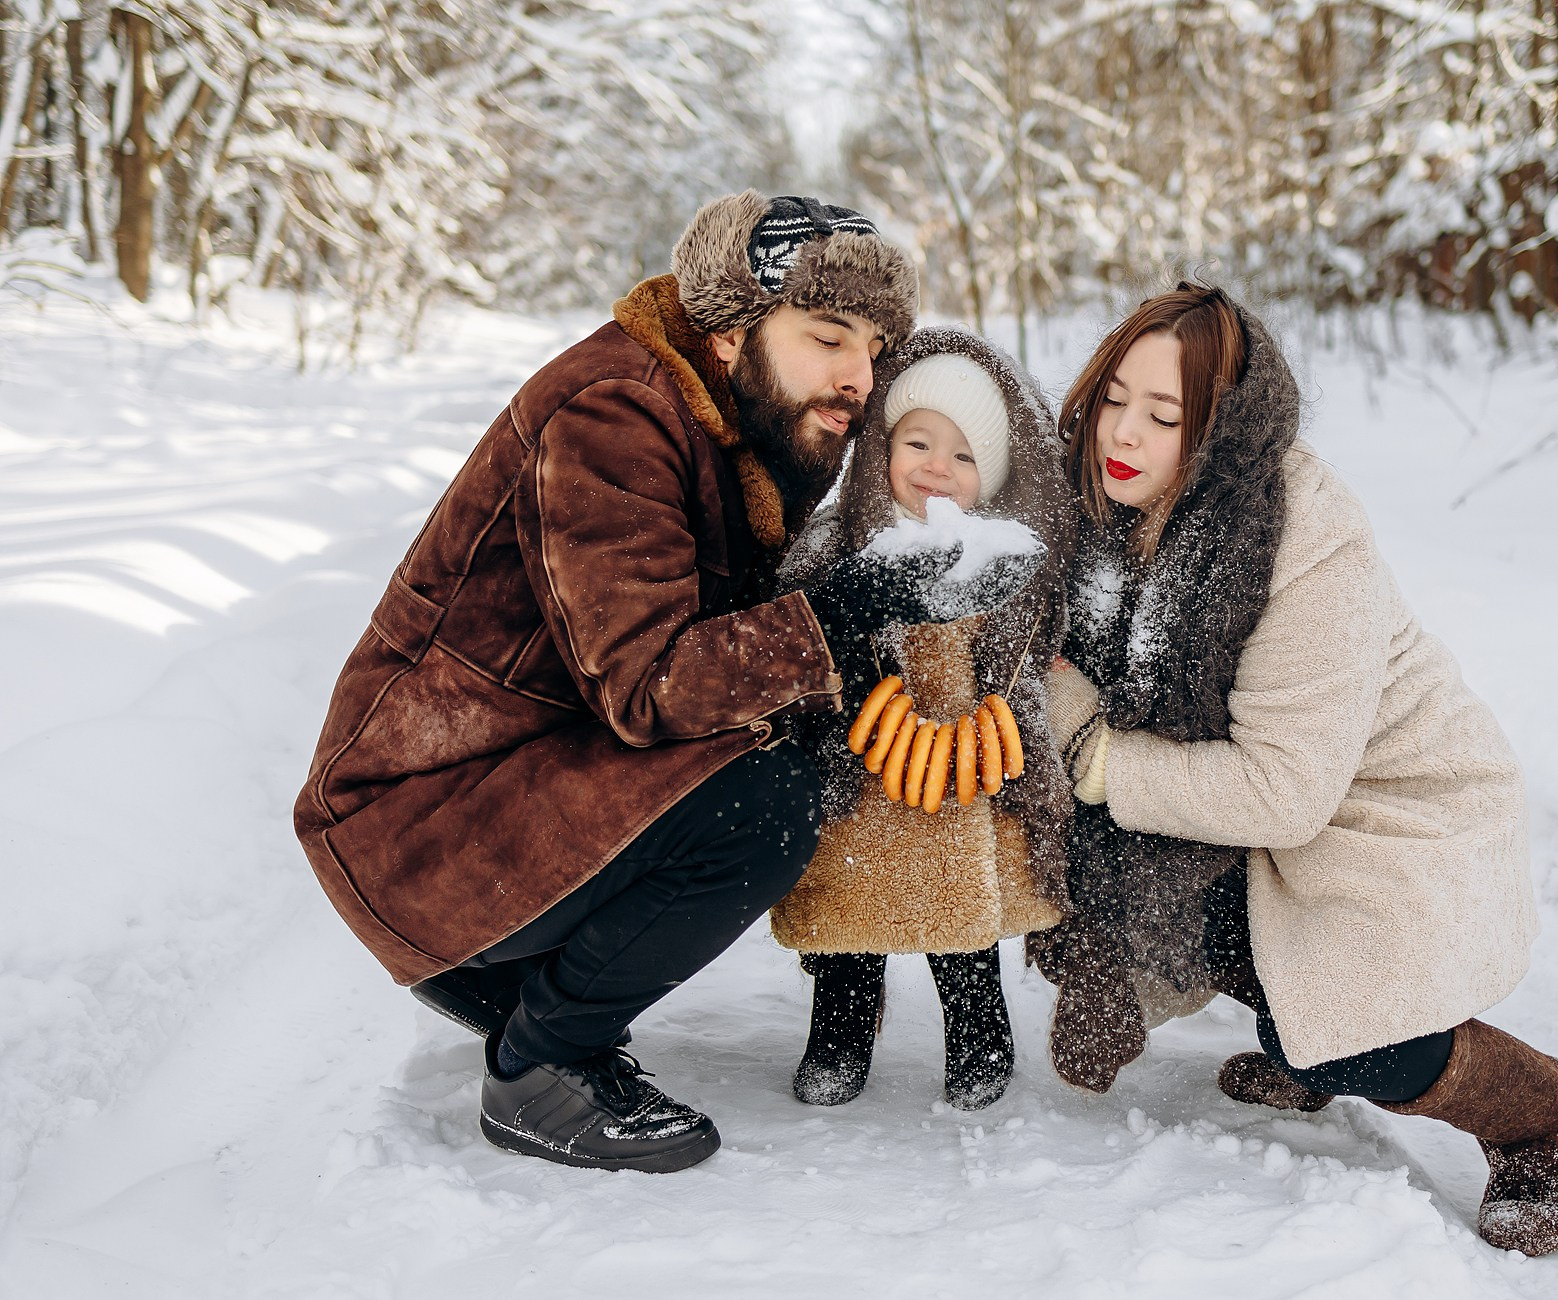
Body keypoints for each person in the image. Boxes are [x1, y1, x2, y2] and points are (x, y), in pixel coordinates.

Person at [292, 192, 1032, 1175]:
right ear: (731, 331)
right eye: (828, 337)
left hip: (505, 800)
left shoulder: (740, 419)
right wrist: (851, 605)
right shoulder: (615, 411)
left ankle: (524, 989)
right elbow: (651, 686)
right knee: (764, 798)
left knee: (792, 736)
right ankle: (540, 1063)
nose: (860, 376)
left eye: (874, 346)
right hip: (417, 828)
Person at [1034, 283, 1558, 1256]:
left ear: (1220, 429)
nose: (1121, 431)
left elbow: (1283, 792)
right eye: (1115, 395)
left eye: (1164, 415)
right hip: (1262, 816)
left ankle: (1535, 1107)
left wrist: (1092, 757)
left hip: (1390, 816)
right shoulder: (1104, 509)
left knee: (1335, 1027)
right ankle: (1319, 1020)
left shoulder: (1300, 534)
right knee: (1142, 885)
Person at [768, 329, 1075, 1111]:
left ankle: (979, 1028)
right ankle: (840, 1025)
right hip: (855, 778)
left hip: (961, 781)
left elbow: (1027, 666)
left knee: (957, 915)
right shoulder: (836, 548)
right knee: (848, 911)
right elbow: (796, 635)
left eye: (966, 456)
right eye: (918, 442)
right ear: (881, 449)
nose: (938, 467)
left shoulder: (999, 561)